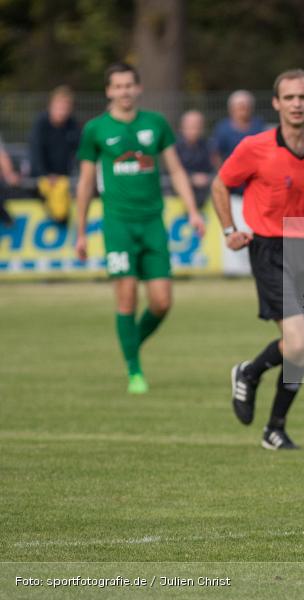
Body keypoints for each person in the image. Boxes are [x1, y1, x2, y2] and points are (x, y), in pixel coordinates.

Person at [211, 69, 304, 450]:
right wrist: (228, 230)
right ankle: (250, 373)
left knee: (302, 348)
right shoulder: (255, 147)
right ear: (276, 103)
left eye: (303, 97)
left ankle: (274, 426)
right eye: (289, 98)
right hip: (269, 247)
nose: (296, 104)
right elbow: (220, 184)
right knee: (297, 339)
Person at [74, 62, 205, 394]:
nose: (124, 91)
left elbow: (175, 170)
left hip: (153, 224)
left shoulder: (155, 124)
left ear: (138, 88)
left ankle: (130, 343)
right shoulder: (96, 130)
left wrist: (192, 210)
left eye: (129, 85)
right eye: (117, 86)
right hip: (118, 224)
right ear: (108, 92)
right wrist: (80, 233)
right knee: (127, 297)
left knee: (162, 302)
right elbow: (87, 182)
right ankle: (134, 370)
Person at [29, 85, 80, 223]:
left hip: (64, 178)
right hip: (44, 178)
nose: (62, 111)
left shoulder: (73, 125)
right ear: (51, 105)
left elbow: (78, 152)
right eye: (60, 106)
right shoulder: (41, 123)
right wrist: (44, 174)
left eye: (66, 107)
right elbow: (35, 152)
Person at [210, 90, 267, 168]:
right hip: (230, 172)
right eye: (240, 107)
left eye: (247, 106)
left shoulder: (259, 124)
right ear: (231, 109)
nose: (244, 110)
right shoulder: (222, 128)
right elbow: (216, 154)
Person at [175, 110, 214, 208]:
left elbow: (214, 169)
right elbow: (169, 172)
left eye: (198, 126)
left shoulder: (208, 146)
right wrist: (191, 178)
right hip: (178, 197)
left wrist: (207, 178)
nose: (194, 130)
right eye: (191, 126)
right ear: (182, 127)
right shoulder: (174, 148)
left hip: (205, 195)